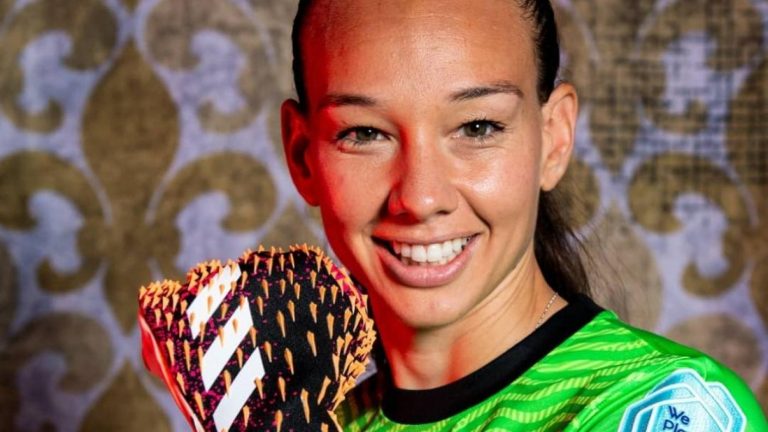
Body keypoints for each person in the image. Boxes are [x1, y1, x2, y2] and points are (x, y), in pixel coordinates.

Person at [280, 0, 768, 430]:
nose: (421, 197)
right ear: (303, 156)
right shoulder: (321, 422)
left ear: (554, 139)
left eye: (477, 127)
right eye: (364, 133)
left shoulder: (662, 406)